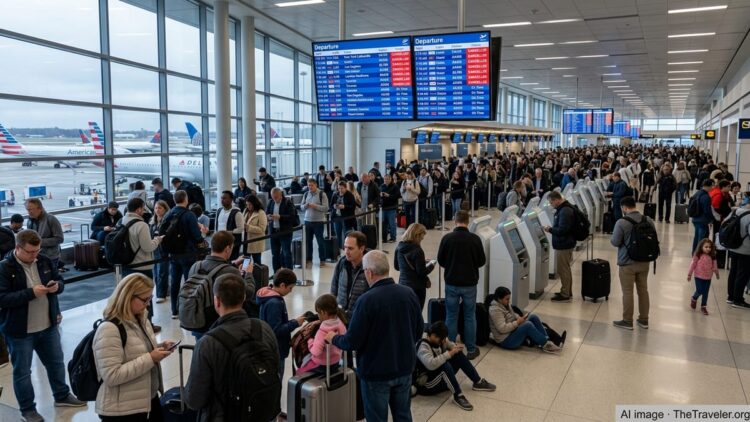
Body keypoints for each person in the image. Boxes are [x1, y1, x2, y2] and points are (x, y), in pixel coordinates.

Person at [327, 250, 423, 422]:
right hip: (404, 368)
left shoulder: (366, 301)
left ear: (369, 272)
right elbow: (418, 330)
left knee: (376, 418)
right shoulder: (408, 293)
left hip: (376, 373)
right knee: (403, 415)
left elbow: (353, 341)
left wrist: (333, 338)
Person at [0, 230, 86, 422]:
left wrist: (57, 287)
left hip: (48, 326)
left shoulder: (44, 261)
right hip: (20, 331)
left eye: (37, 251)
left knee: (56, 363)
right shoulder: (5, 268)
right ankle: (28, 409)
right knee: (22, 373)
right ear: (18, 248)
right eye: (30, 252)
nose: (34, 255)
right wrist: (31, 293)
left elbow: (60, 281)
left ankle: (62, 395)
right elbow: (3, 298)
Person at [184, 274, 279, 422]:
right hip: (262, 412)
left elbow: (194, 400)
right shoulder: (263, 328)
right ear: (243, 298)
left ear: (217, 301)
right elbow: (275, 368)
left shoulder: (207, 343)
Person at [93, 273, 176, 421]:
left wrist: (159, 347)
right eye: (145, 300)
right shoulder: (109, 329)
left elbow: (134, 349)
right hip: (123, 410)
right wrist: (151, 358)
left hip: (147, 399)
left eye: (150, 298)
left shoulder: (141, 317)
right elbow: (111, 375)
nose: (148, 304)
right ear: (128, 297)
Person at [412, 321, 496, 411]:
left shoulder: (440, 338)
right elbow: (431, 364)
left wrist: (454, 348)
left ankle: (477, 382)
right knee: (445, 366)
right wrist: (449, 353)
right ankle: (458, 395)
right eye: (440, 339)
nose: (443, 341)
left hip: (437, 377)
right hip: (426, 384)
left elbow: (449, 343)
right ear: (433, 335)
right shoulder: (423, 346)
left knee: (458, 355)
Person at [187, 231, 257, 338]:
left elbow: (213, 271)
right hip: (217, 325)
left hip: (197, 320)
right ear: (228, 249)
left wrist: (232, 264)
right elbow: (248, 293)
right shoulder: (230, 272)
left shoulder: (196, 266)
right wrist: (248, 273)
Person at [437, 210, 486, 361]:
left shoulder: (447, 238)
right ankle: (471, 349)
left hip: (451, 282)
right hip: (470, 283)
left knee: (451, 315)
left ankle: (450, 348)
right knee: (470, 315)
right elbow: (481, 261)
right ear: (468, 221)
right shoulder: (475, 239)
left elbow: (441, 260)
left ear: (455, 221)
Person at [159, 190, 208, 319]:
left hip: (173, 254)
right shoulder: (189, 215)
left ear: (175, 200)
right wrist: (202, 237)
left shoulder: (168, 213)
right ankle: (188, 308)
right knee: (189, 281)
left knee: (175, 282)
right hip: (188, 253)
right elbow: (197, 237)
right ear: (186, 199)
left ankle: (174, 310)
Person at [611, 196, 655, 330]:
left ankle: (627, 321)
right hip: (644, 261)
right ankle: (644, 320)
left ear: (624, 207)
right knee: (643, 291)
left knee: (627, 292)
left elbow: (615, 242)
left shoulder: (621, 222)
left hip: (627, 262)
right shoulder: (648, 220)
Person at [257, 268, 305, 379]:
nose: (291, 291)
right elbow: (276, 330)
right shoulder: (275, 303)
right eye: (290, 288)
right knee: (277, 379)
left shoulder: (268, 295)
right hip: (276, 349)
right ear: (282, 285)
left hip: (270, 346)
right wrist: (295, 323)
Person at [486, 287, 562, 353]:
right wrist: (517, 322)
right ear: (499, 299)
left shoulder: (504, 304)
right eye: (507, 299)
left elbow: (513, 314)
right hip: (506, 340)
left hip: (512, 332)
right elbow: (502, 329)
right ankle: (546, 344)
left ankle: (546, 340)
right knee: (528, 325)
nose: (509, 301)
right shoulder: (495, 310)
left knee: (533, 317)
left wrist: (519, 317)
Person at [295, 293, 347, 375]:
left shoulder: (323, 331)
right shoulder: (340, 323)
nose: (318, 315)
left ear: (323, 312)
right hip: (336, 361)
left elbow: (316, 352)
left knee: (298, 373)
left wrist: (310, 342)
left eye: (318, 313)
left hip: (322, 364)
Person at [544, 191, 576, 303]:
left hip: (564, 244)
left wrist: (550, 229)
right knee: (565, 268)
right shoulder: (564, 208)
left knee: (563, 270)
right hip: (565, 243)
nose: (551, 205)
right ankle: (567, 291)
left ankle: (565, 294)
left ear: (556, 200)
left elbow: (563, 230)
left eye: (551, 202)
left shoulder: (565, 211)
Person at [330, 231, 370, 320]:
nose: (346, 252)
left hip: (359, 317)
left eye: (350, 248)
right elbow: (334, 287)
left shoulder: (370, 267)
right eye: (345, 247)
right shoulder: (342, 262)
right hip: (340, 315)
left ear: (361, 248)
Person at [394, 223, 435, 310]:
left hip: (403, 285)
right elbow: (422, 272)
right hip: (417, 288)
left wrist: (420, 262)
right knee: (417, 313)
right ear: (417, 235)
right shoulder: (417, 250)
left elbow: (397, 267)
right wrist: (431, 265)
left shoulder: (399, 247)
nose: (422, 239)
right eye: (421, 237)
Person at [25, 198, 64, 270]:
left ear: (40, 208)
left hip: (50, 257)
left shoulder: (51, 219)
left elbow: (59, 239)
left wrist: (38, 242)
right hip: (36, 256)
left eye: (31, 209)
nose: (29, 212)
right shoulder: (30, 221)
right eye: (27, 210)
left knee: (50, 279)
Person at [266, 187, 298, 273]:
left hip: (285, 232)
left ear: (281, 195)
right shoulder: (271, 202)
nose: (274, 199)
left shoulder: (288, 203)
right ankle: (276, 272)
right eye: (273, 197)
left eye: (276, 197)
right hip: (274, 232)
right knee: (275, 254)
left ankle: (289, 273)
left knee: (286, 253)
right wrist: (268, 217)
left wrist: (280, 217)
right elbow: (267, 212)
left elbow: (292, 217)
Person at [727, 200, 750, 309]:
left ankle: (731, 297)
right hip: (745, 249)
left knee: (733, 272)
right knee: (742, 274)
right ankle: (738, 300)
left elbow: (725, 223)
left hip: (733, 246)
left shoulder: (736, 211)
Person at [300, 179, 329, 267]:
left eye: (312, 185)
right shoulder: (306, 194)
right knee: (308, 242)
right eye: (309, 185)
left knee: (320, 241)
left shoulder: (322, 194)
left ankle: (322, 260)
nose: (310, 187)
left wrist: (315, 206)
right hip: (307, 221)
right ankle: (309, 259)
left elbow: (326, 208)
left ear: (316, 185)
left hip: (318, 222)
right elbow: (301, 207)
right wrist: (305, 206)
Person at [687, 238, 719, 316]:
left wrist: (717, 273)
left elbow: (715, 266)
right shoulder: (698, 255)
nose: (708, 249)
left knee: (706, 292)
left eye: (710, 247)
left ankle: (703, 306)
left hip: (708, 277)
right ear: (701, 247)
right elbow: (693, 264)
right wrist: (689, 274)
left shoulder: (712, 256)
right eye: (706, 247)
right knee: (700, 290)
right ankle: (694, 298)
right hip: (698, 276)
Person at [150, 200, 170, 304]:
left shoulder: (167, 221)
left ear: (165, 209)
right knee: (156, 272)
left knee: (162, 271)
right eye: (156, 208)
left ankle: (161, 294)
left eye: (160, 208)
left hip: (164, 249)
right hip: (155, 249)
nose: (157, 210)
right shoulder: (153, 222)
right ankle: (162, 291)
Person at [216, 191, 245, 260]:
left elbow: (241, 229)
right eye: (221, 198)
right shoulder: (219, 210)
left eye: (224, 198)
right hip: (220, 241)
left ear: (231, 200)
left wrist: (230, 232)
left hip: (232, 243)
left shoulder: (237, 213)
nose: (222, 200)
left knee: (232, 261)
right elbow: (216, 226)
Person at [330, 181, 357, 250]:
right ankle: (338, 249)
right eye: (339, 188)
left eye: (342, 188)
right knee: (338, 234)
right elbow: (331, 205)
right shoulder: (335, 194)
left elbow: (353, 207)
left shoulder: (350, 195)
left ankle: (347, 248)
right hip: (337, 217)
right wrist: (334, 206)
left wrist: (344, 207)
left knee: (347, 234)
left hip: (346, 218)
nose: (340, 190)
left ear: (345, 188)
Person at [691, 179, 714, 254]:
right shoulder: (706, 196)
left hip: (696, 218)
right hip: (702, 220)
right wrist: (711, 219)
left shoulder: (697, 193)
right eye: (712, 185)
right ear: (709, 186)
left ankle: (694, 253)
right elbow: (707, 210)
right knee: (702, 239)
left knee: (697, 237)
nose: (712, 188)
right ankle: (699, 254)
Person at [243, 194, 268, 265]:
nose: (248, 206)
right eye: (247, 204)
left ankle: (257, 276)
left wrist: (248, 227)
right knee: (245, 262)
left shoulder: (261, 213)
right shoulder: (246, 211)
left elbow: (262, 229)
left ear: (254, 203)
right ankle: (246, 275)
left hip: (255, 242)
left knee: (257, 263)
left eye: (250, 204)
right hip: (246, 240)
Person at [380, 174, 400, 243]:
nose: (386, 180)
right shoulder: (382, 186)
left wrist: (389, 195)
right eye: (385, 179)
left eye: (387, 179)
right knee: (384, 224)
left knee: (392, 224)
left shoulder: (395, 186)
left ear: (390, 179)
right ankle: (384, 238)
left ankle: (393, 238)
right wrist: (381, 195)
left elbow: (397, 196)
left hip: (392, 208)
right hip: (383, 208)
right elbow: (379, 196)